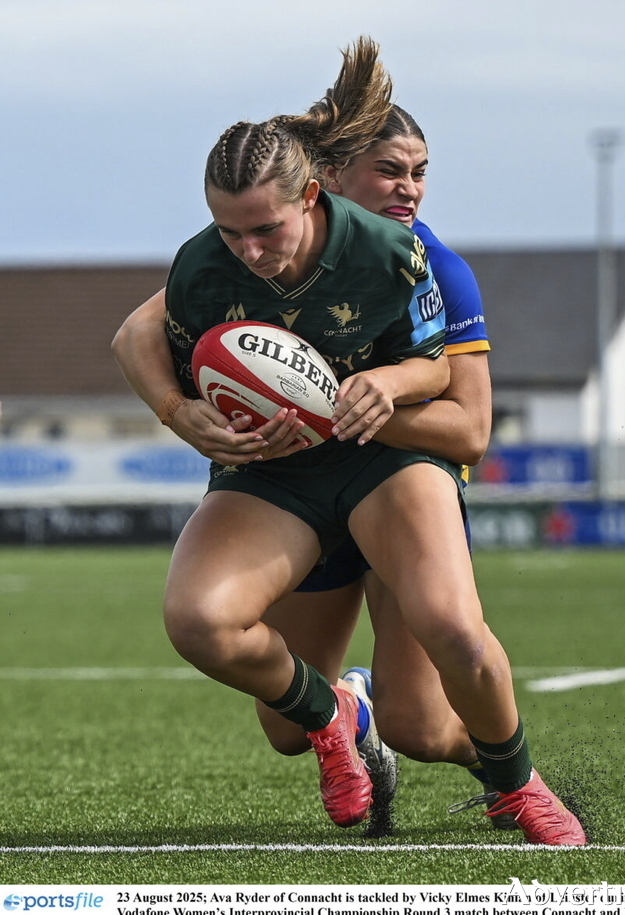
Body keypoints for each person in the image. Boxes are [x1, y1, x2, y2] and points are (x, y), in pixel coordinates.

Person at [113, 37, 585, 846]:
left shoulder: (402, 258)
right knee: (212, 636)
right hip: (282, 477)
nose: (248, 251)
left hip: (388, 465)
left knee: (441, 676)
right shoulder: (211, 263)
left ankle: (516, 783)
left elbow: (457, 408)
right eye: (231, 234)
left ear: (310, 197)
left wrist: (381, 388)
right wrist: (180, 409)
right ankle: (335, 714)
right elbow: (140, 336)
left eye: (263, 230)